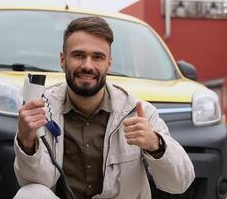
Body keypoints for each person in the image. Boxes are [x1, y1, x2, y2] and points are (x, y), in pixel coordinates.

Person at [13, 16, 195, 199]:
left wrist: (155, 144)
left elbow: (179, 183)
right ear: (63, 60)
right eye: (78, 55)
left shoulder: (138, 112)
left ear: (109, 64)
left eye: (98, 57)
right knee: (30, 194)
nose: (87, 66)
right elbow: (34, 183)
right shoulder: (41, 110)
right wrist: (27, 143)